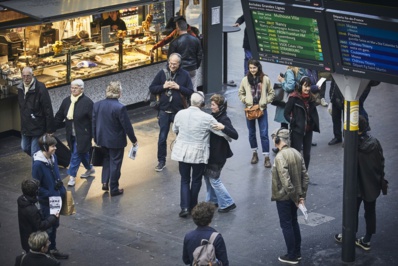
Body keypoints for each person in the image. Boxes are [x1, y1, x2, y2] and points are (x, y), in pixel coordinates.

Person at [171, 92, 229, 217]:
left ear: (190, 101)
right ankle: (193, 206)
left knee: (185, 180)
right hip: (199, 154)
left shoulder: (180, 114)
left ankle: (184, 207)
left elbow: (175, 130)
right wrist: (227, 133)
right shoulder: (206, 118)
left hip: (182, 153)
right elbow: (221, 132)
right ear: (202, 104)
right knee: (196, 180)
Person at [334, 116, 385, 251]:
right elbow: (381, 162)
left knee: (352, 211)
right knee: (370, 211)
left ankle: (349, 235)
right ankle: (367, 240)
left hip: (356, 185)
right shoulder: (374, 142)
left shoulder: (353, 146)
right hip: (372, 184)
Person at [149, 53, 194, 172]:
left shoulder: (185, 75)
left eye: (174, 64)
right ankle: (161, 161)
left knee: (181, 136)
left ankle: (183, 159)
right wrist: (163, 86)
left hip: (178, 112)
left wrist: (178, 87)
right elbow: (152, 88)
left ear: (179, 64)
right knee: (162, 137)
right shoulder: (162, 73)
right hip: (164, 111)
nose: (172, 66)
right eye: (170, 63)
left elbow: (190, 92)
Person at [271, 128, 309, 265]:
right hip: (296, 197)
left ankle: (292, 255)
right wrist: (301, 196)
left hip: (285, 198)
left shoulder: (280, 157)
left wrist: (294, 197)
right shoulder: (297, 153)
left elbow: (286, 182)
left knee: (286, 225)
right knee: (294, 222)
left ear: (278, 140)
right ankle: (297, 252)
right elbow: (305, 177)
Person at [92, 81, 138, 196]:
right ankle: (114, 188)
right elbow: (127, 126)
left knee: (107, 160)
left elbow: (93, 123)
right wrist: (134, 140)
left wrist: (95, 138)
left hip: (101, 139)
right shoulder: (120, 107)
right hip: (116, 141)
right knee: (115, 163)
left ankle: (104, 182)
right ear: (119, 93)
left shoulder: (97, 105)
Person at [32, 134, 69, 260]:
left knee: (55, 225)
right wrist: (50, 193)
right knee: (49, 227)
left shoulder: (54, 157)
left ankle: (52, 249)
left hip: (56, 199)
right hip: (47, 201)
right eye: (53, 146)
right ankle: (46, 252)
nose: (55, 148)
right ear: (45, 147)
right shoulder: (38, 165)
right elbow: (36, 187)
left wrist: (61, 190)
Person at [54, 79, 94, 187]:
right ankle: (90, 168)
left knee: (76, 154)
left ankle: (72, 177)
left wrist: (94, 135)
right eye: (72, 87)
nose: (73, 90)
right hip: (71, 134)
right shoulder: (66, 101)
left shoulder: (87, 103)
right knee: (83, 153)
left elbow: (93, 120)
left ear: (82, 89)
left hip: (83, 135)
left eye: (76, 88)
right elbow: (59, 116)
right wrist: (51, 129)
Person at [204, 94, 238, 213]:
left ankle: (227, 202)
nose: (211, 107)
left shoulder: (223, 119)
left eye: (213, 105)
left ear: (220, 107)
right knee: (208, 177)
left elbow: (235, 135)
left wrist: (223, 127)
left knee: (214, 179)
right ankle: (213, 201)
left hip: (218, 155)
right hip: (212, 154)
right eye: (211, 104)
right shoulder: (214, 116)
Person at [238, 59, 274, 168]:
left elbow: (271, 93)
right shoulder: (245, 80)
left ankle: (266, 157)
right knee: (251, 133)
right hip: (250, 109)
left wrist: (264, 102)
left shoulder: (265, 79)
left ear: (258, 67)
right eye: (250, 68)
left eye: (254, 67)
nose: (252, 70)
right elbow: (241, 93)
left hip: (261, 109)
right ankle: (254, 154)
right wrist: (246, 101)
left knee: (264, 133)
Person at [17, 67, 55, 157]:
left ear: (32, 75)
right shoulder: (20, 88)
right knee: (24, 147)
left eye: (28, 76)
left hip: (38, 125)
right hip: (26, 125)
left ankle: (37, 165)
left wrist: (50, 129)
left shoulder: (40, 88)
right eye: (24, 76)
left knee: (34, 151)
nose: (26, 78)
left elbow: (47, 108)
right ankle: (43, 158)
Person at [284, 76, 320, 170]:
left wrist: (313, 123)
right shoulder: (294, 98)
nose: (307, 89)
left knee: (307, 154)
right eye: (305, 86)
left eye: (309, 86)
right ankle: (296, 175)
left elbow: (313, 113)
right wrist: (293, 121)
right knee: (296, 154)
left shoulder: (311, 98)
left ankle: (305, 174)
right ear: (301, 86)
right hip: (297, 130)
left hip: (308, 130)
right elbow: (286, 113)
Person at [17, 179, 58, 253]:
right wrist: (54, 217)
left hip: (26, 236)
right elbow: (40, 226)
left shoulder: (22, 200)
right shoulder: (31, 210)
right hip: (34, 240)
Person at [167, 19, 202, 91]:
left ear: (178, 28)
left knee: (181, 89)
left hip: (180, 69)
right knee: (193, 88)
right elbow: (199, 55)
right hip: (193, 68)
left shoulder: (174, 42)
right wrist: (196, 66)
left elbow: (170, 58)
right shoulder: (195, 40)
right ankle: (193, 101)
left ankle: (185, 101)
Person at [273, 66, 299, 153]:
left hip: (286, 102)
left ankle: (282, 145)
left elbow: (289, 87)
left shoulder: (289, 71)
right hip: (295, 100)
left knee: (284, 124)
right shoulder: (299, 71)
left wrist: (282, 80)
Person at [327, 78, 344, 145]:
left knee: (347, 120)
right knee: (336, 119)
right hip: (335, 98)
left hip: (345, 97)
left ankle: (347, 137)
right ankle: (337, 136)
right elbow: (333, 85)